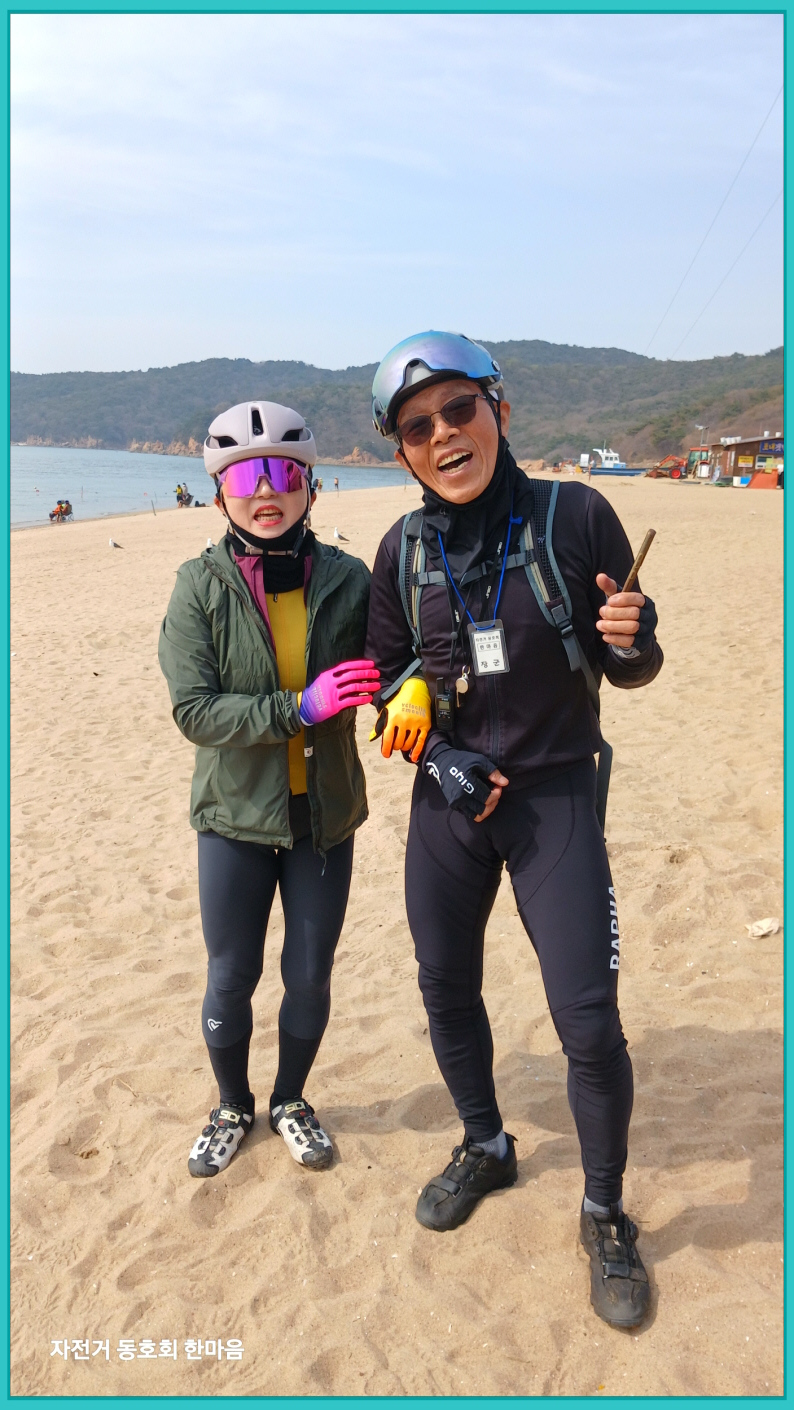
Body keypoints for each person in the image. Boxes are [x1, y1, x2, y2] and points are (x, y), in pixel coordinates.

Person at [365, 332, 663, 1329]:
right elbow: (388, 685)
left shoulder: (575, 516)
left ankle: (603, 1212)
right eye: (418, 427)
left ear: (499, 410)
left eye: (460, 409)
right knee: (444, 987)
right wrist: (438, 761)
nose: (444, 435)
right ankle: (485, 1143)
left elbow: (628, 664)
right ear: (400, 452)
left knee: (588, 1021)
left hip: (553, 799)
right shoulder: (402, 553)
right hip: (450, 808)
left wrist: (635, 638)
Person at [159, 400, 379, 1179]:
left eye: (283, 473)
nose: (265, 491)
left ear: (310, 486)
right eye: (246, 475)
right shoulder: (199, 587)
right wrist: (298, 709)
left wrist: (411, 695)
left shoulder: (350, 580)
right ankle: (231, 1106)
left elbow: (400, 662)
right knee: (232, 974)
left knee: (309, 973)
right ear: (219, 491)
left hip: (325, 814)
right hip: (234, 818)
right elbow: (195, 711)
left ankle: (289, 1100)